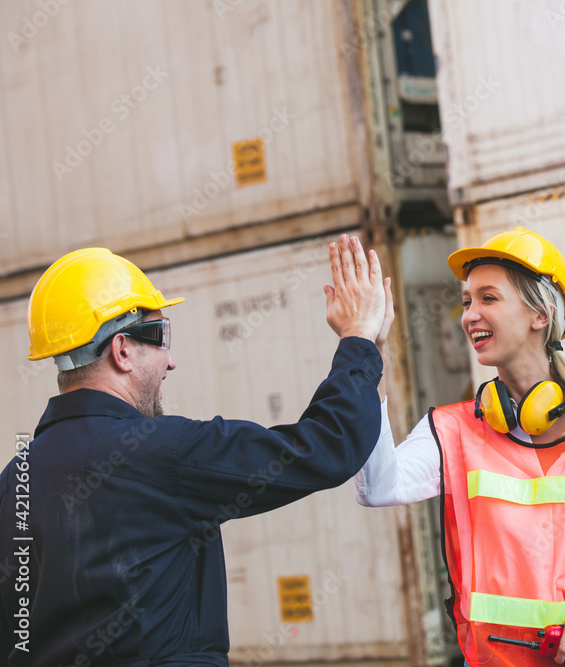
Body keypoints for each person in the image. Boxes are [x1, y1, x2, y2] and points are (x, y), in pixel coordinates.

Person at [0, 235, 393, 666]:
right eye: (161, 337)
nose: (171, 362)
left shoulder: (14, 482)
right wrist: (359, 339)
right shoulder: (162, 453)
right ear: (122, 350)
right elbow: (326, 445)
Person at [355, 228, 565, 667]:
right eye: (467, 301)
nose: (469, 315)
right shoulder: (454, 430)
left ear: (539, 314)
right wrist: (368, 356)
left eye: (489, 298)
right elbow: (377, 487)